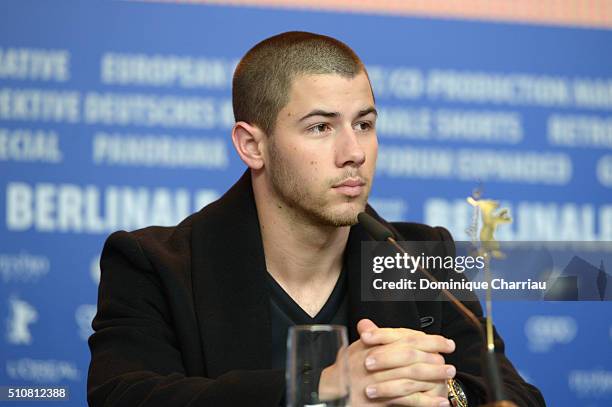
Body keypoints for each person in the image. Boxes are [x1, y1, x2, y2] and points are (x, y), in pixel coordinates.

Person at [87, 31, 545, 407]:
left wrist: (442, 393)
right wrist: (318, 386)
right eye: (320, 127)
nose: (355, 154)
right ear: (252, 146)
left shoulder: (418, 258)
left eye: (364, 124)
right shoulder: (155, 263)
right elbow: (123, 396)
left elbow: (515, 396)